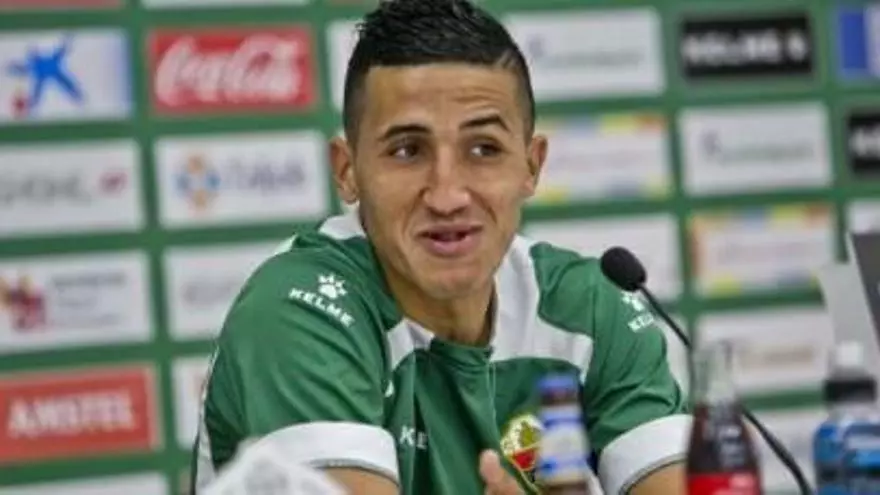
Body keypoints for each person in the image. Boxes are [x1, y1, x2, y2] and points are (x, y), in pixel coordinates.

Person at [190, 0, 691, 493]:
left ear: (531, 165)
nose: (447, 196)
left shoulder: (590, 310)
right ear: (347, 171)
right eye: (407, 150)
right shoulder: (300, 310)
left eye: (484, 149)